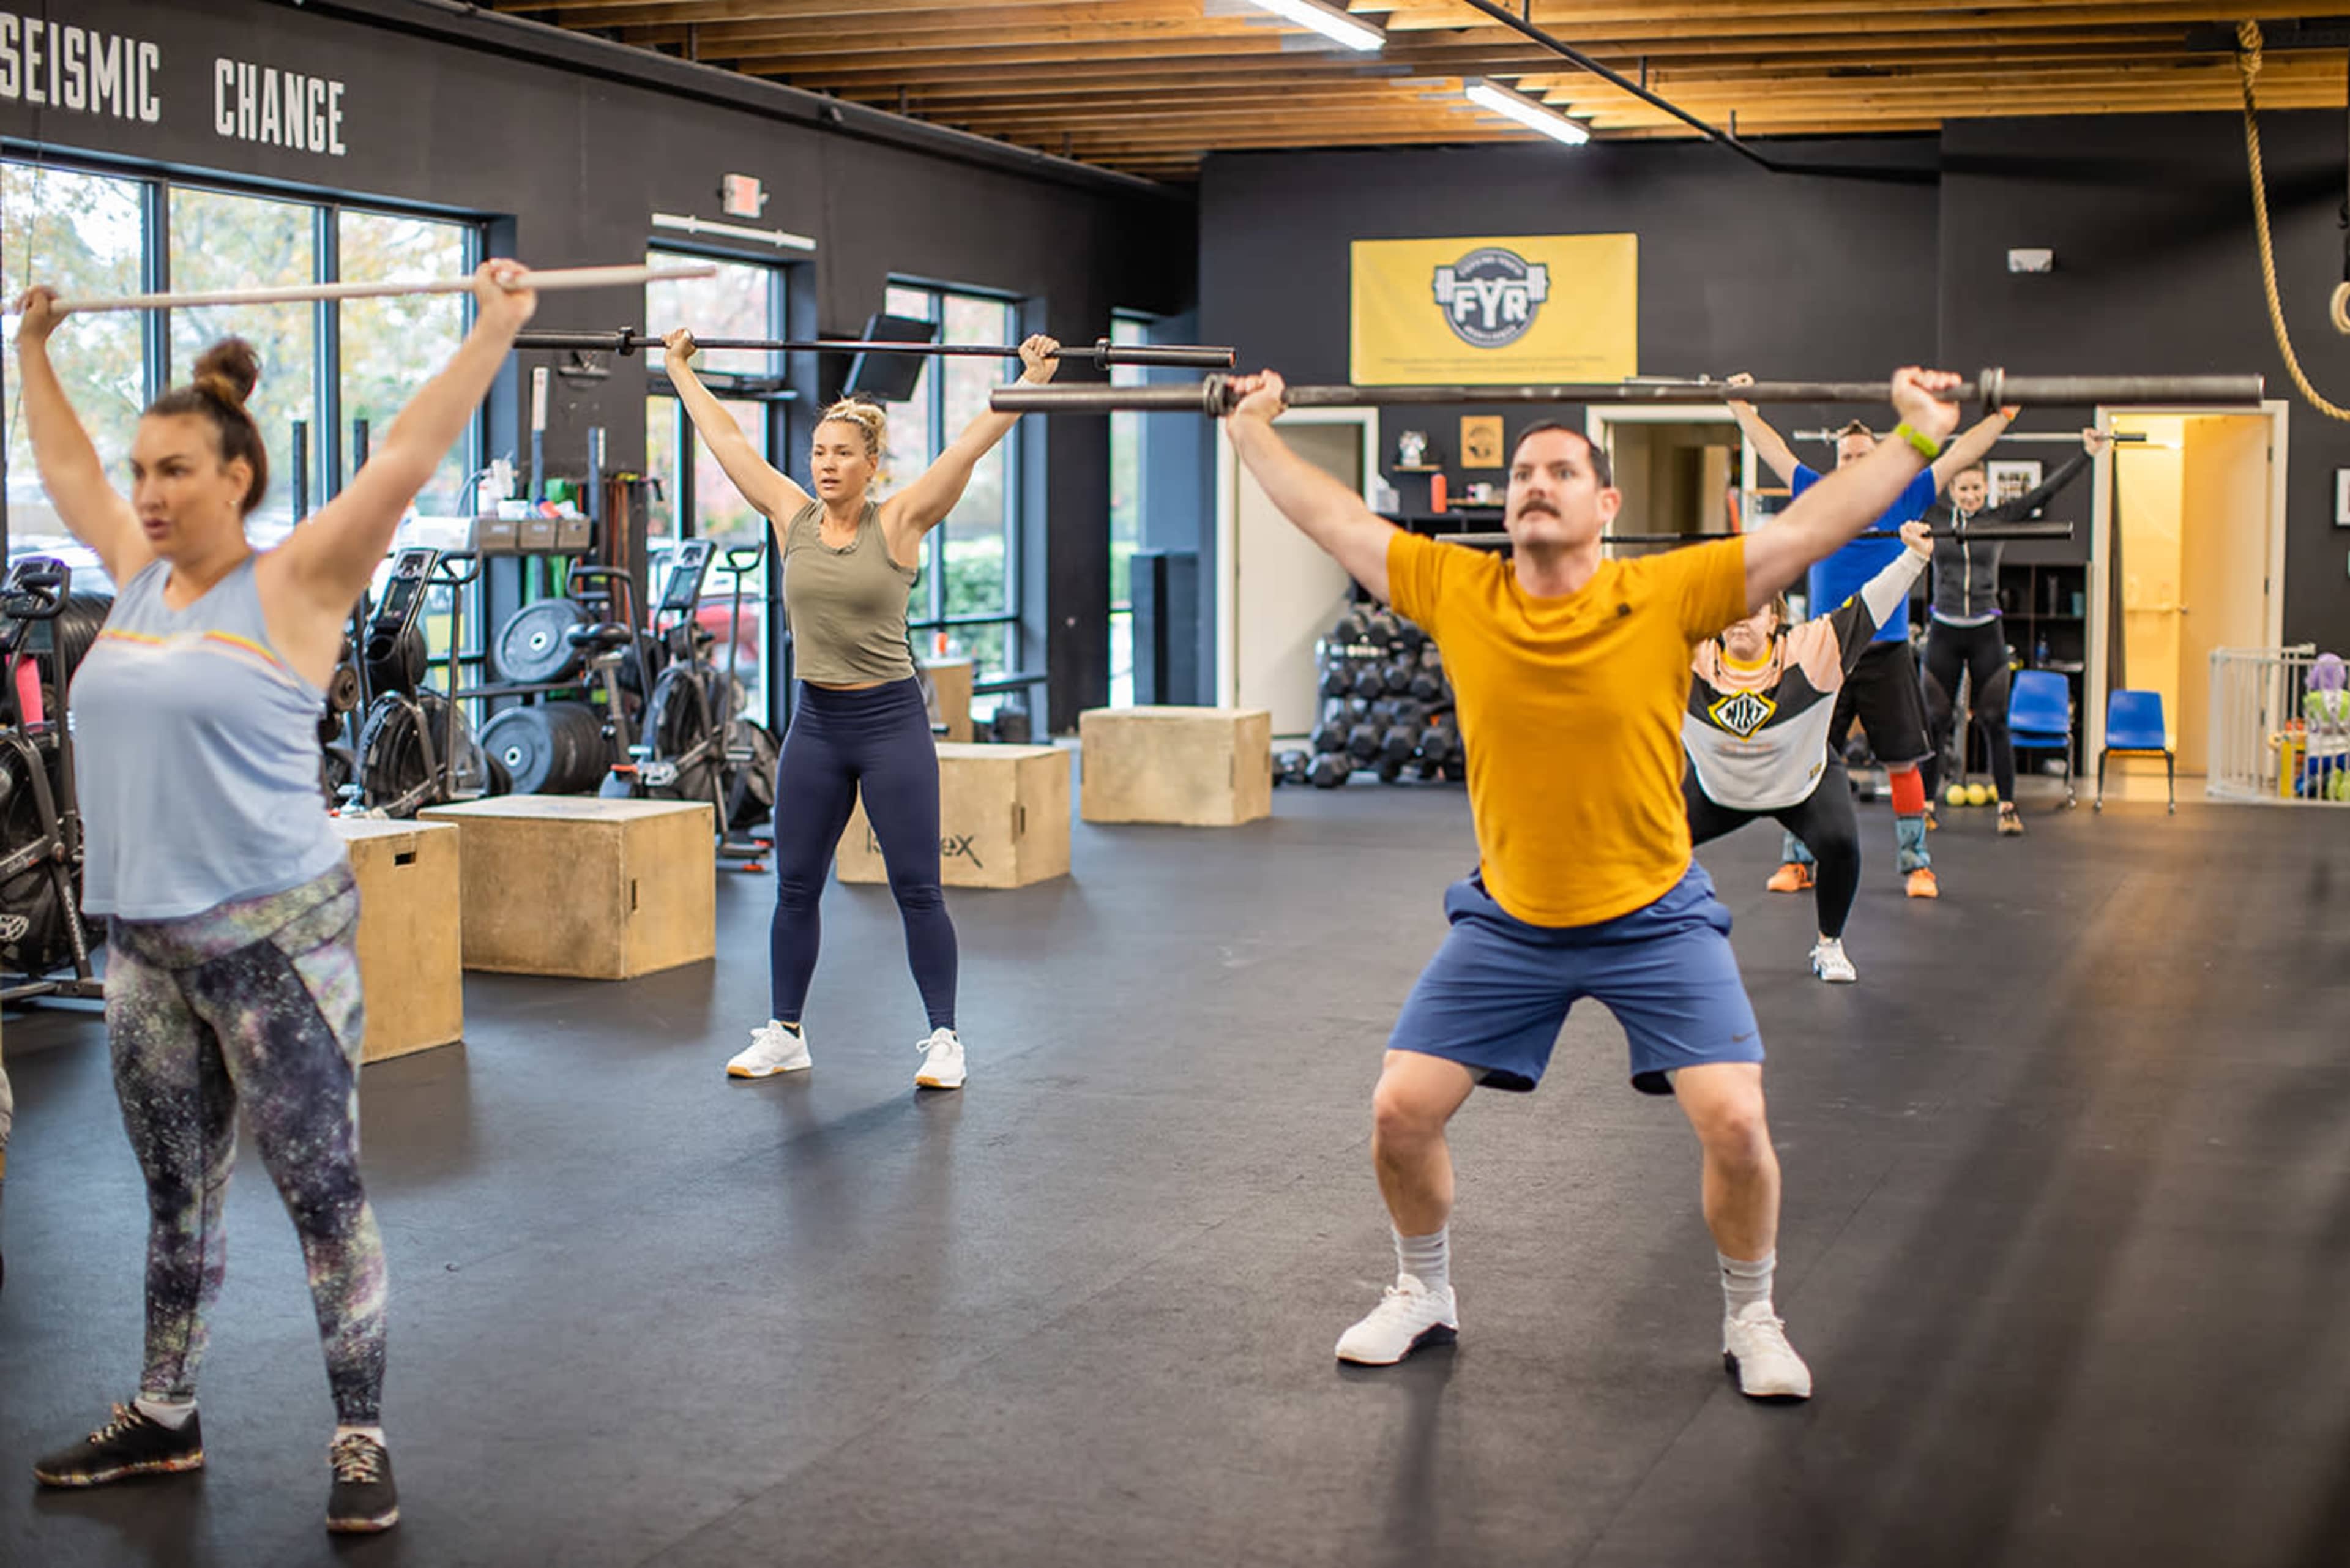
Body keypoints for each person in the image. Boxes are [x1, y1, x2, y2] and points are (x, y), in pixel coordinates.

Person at [1222, 363, 1966, 1397]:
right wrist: (1252, 429)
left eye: (1562, 470)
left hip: (1654, 915)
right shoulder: (1457, 589)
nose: (1537, 483)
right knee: (1400, 1109)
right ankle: (1423, 1290)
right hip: (1510, 918)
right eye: (1525, 471)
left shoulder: (1666, 594)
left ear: (1604, 503)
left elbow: (1810, 530)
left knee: (1739, 1121)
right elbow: (1336, 518)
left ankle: (1752, 1314)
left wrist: (1918, 439)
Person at [12, 262, 539, 1531]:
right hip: (144, 952)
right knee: (174, 1197)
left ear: (235, 477)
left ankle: (359, 1435)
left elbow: (407, 459)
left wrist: (497, 325)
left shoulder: (296, 582)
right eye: (140, 471)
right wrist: (31, 347)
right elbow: (66, 458)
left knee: (321, 1196)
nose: (145, 491)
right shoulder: (131, 581)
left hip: (274, 947)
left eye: (175, 470)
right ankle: (165, 1414)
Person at [663, 328, 1059, 1091]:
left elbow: (970, 446)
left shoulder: (901, 521)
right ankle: (786, 1032)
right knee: (795, 887)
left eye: (843, 453)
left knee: (917, 887)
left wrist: (1032, 378)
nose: (826, 465)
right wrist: (679, 370)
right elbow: (727, 440)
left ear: (872, 463)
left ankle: (945, 1038)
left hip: (890, 727)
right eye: (819, 453)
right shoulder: (791, 517)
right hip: (816, 725)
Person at [1728, 387, 2015, 898]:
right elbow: (1772, 450)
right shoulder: (1816, 490)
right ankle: (1798, 862)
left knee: (1903, 761)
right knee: (1807, 758)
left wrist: (2005, 414)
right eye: (1846, 458)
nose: (1853, 463)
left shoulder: (1905, 491)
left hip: (1886, 648)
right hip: (1824, 649)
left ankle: (1916, 865)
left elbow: (1963, 454)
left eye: (1862, 456)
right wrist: (1741, 406)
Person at [1686, 521, 1934, 984]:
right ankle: (1656, 945)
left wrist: (1914, 557)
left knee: (1841, 844)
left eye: (1754, 609)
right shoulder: (1684, 656)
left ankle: (1829, 945)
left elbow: (1871, 606)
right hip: (1716, 787)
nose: (1742, 618)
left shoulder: (1814, 648)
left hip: (1801, 783)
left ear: (1774, 618)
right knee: (1647, 846)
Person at [1918, 428, 2110, 834]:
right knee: (1935, 721)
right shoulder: (1931, 517)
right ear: (1951, 488)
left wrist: (2085, 454)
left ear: (1986, 489)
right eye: (1962, 488)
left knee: (1994, 720)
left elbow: (2041, 495)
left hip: (1986, 630)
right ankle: (1923, 805)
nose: (1969, 495)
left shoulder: (1998, 518)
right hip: (1945, 632)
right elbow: (1897, 485)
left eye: (1975, 488)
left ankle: (2007, 807)